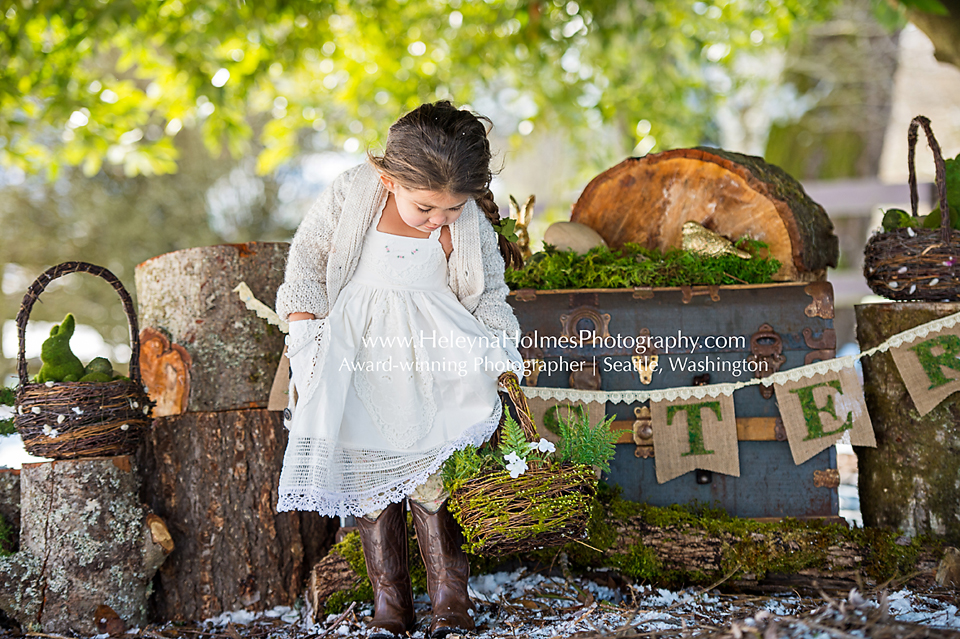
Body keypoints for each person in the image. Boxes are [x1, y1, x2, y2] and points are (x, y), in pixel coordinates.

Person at [275, 101, 524, 639]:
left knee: (433, 474)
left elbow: (489, 296)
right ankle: (391, 603)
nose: (438, 219)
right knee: (371, 479)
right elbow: (308, 264)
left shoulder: (470, 223)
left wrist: (501, 349)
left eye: (450, 211)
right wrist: (303, 334)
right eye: (425, 208)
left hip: (433, 356)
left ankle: (449, 601)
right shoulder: (350, 192)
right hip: (359, 355)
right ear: (388, 178)